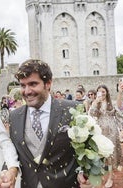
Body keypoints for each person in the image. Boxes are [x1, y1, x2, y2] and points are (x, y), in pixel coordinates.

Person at [8, 59, 91, 188]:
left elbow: (87, 149)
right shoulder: (14, 116)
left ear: (48, 84)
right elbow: (13, 151)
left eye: (33, 84)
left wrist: (84, 173)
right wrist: (8, 171)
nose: (27, 91)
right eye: (23, 85)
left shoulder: (73, 110)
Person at [89, 85, 123, 188]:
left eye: (103, 91)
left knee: (110, 155)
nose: (102, 93)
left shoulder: (112, 103)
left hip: (111, 131)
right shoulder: (95, 103)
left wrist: (122, 129)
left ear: (107, 92)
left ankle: (110, 178)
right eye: (99, 92)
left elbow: (119, 116)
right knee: (100, 154)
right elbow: (91, 115)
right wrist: (95, 102)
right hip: (99, 131)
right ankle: (101, 176)